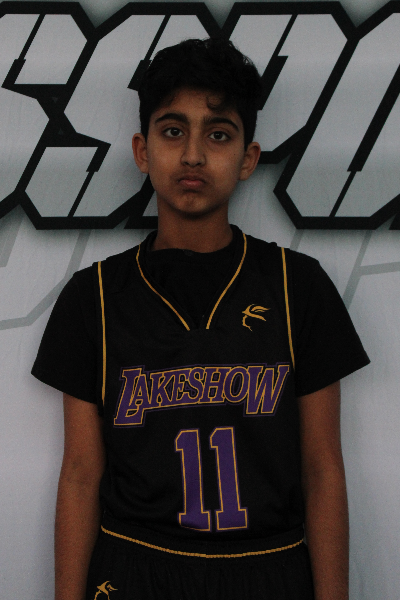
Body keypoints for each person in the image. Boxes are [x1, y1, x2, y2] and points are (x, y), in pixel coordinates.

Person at [32, 37, 369, 600]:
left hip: (268, 566)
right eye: (172, 131)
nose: (192, 155)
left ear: (248, 158)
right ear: (142, 151)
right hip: (135, 567)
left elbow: (322, 471)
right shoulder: (93, 297)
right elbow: (82, 475)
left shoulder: (299, 287)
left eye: (218, 134)